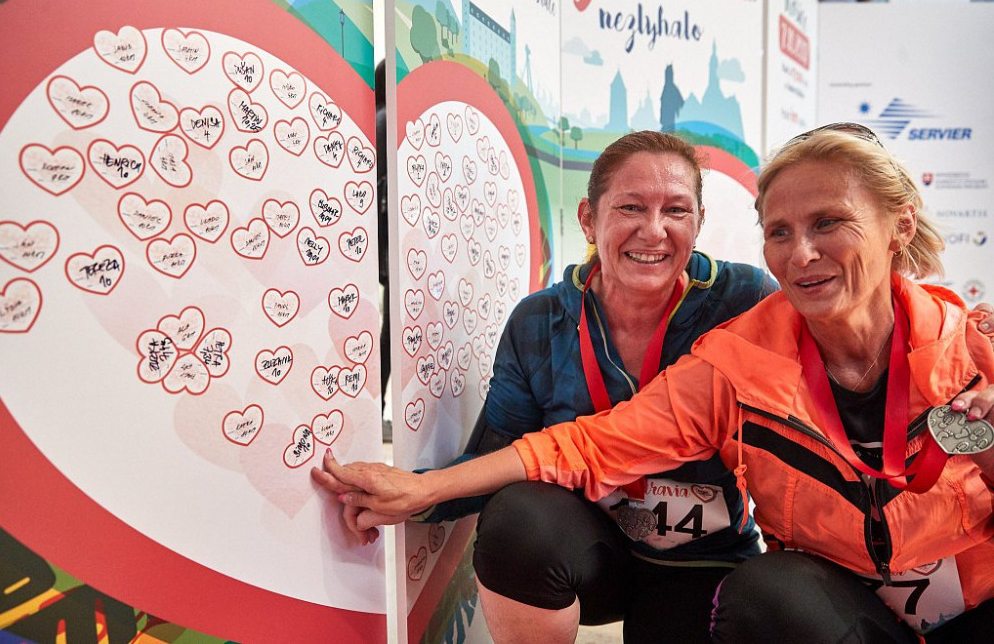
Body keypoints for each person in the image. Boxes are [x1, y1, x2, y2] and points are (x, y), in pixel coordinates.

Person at [314, 123, 994, 642]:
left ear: (899, 225)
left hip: (744, 568)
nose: (802, 255)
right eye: (780, 232)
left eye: (829, 223)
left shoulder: (966, 345)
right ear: (590, 220)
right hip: (762, 590)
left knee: (763, 591)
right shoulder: (736, 355)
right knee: (757, 591)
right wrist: (419, 492)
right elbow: (580, 444)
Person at [350, 130, 775, 642]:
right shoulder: (540, 321)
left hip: (705, 564)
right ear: (588, 219)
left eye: (676, 211)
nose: (654, 230)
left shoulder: (746, 302)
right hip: (590, 553)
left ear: (699, 221)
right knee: (516, 521)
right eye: (631, 207)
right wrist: (411, 496)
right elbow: (499, 455)